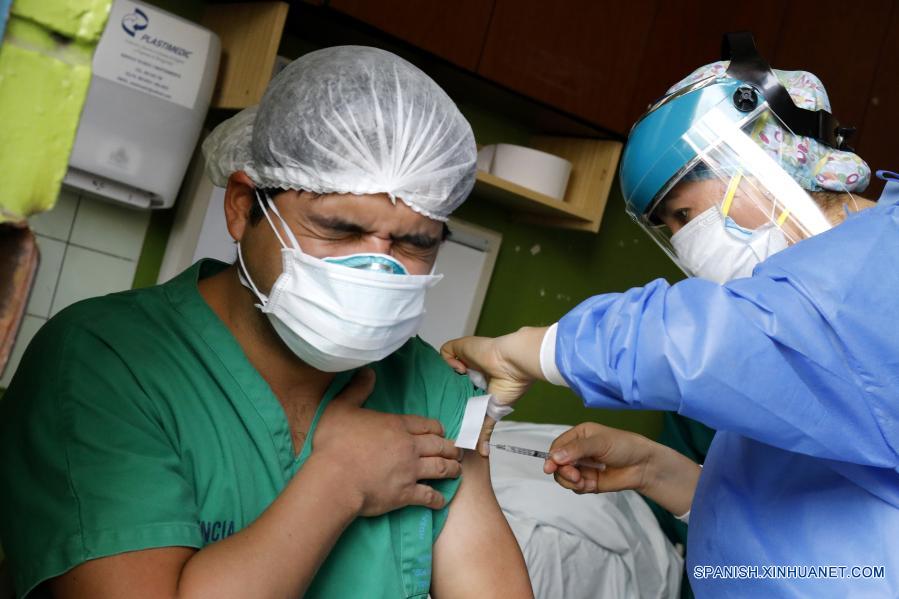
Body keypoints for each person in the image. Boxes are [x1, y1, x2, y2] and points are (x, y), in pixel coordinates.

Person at [0, 46, 532, 599]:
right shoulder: (105, 365)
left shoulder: (429, 388)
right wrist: (338, 481)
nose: (376, 267)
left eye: (413, 243)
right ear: (241, 206)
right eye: (338, 230)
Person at [441, 34, 899, 597]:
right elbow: (832, 498)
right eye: (669, 229)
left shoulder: (874, 277)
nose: (685, 245)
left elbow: (697, 341)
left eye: (684, 214)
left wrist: (528, 349)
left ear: (769, 158)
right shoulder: (807, 300)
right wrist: (666, 475)